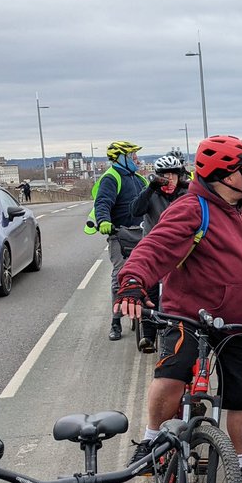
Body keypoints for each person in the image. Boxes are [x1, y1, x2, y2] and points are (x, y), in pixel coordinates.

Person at [115, 135, 242, 483]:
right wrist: (133, 282)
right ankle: (151, 439)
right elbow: (154, 247)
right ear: (225, 175)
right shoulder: (191, 208)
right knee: (171, 375)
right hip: (191, 316)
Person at [130, 153, 191, 353]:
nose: (169, 179)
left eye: (173, 175)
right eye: (164, 175)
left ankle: (185, 328)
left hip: (180, 249)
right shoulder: (152, 194)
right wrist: (150, 188)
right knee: (150, 289)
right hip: (154, 249)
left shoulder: (187, 193)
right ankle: (148, 335)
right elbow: (135, 210)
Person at [94, 140, 149, 342]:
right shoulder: (111, 177)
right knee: (120, 275)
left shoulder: (139, 179)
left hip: (143, 233)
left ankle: (151, 316)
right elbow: (102, 203)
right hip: (120, 233)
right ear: (121, 158)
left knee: (152, 273)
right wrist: (103, 221)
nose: (137, 159)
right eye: (133, 156)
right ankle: (116, 321)